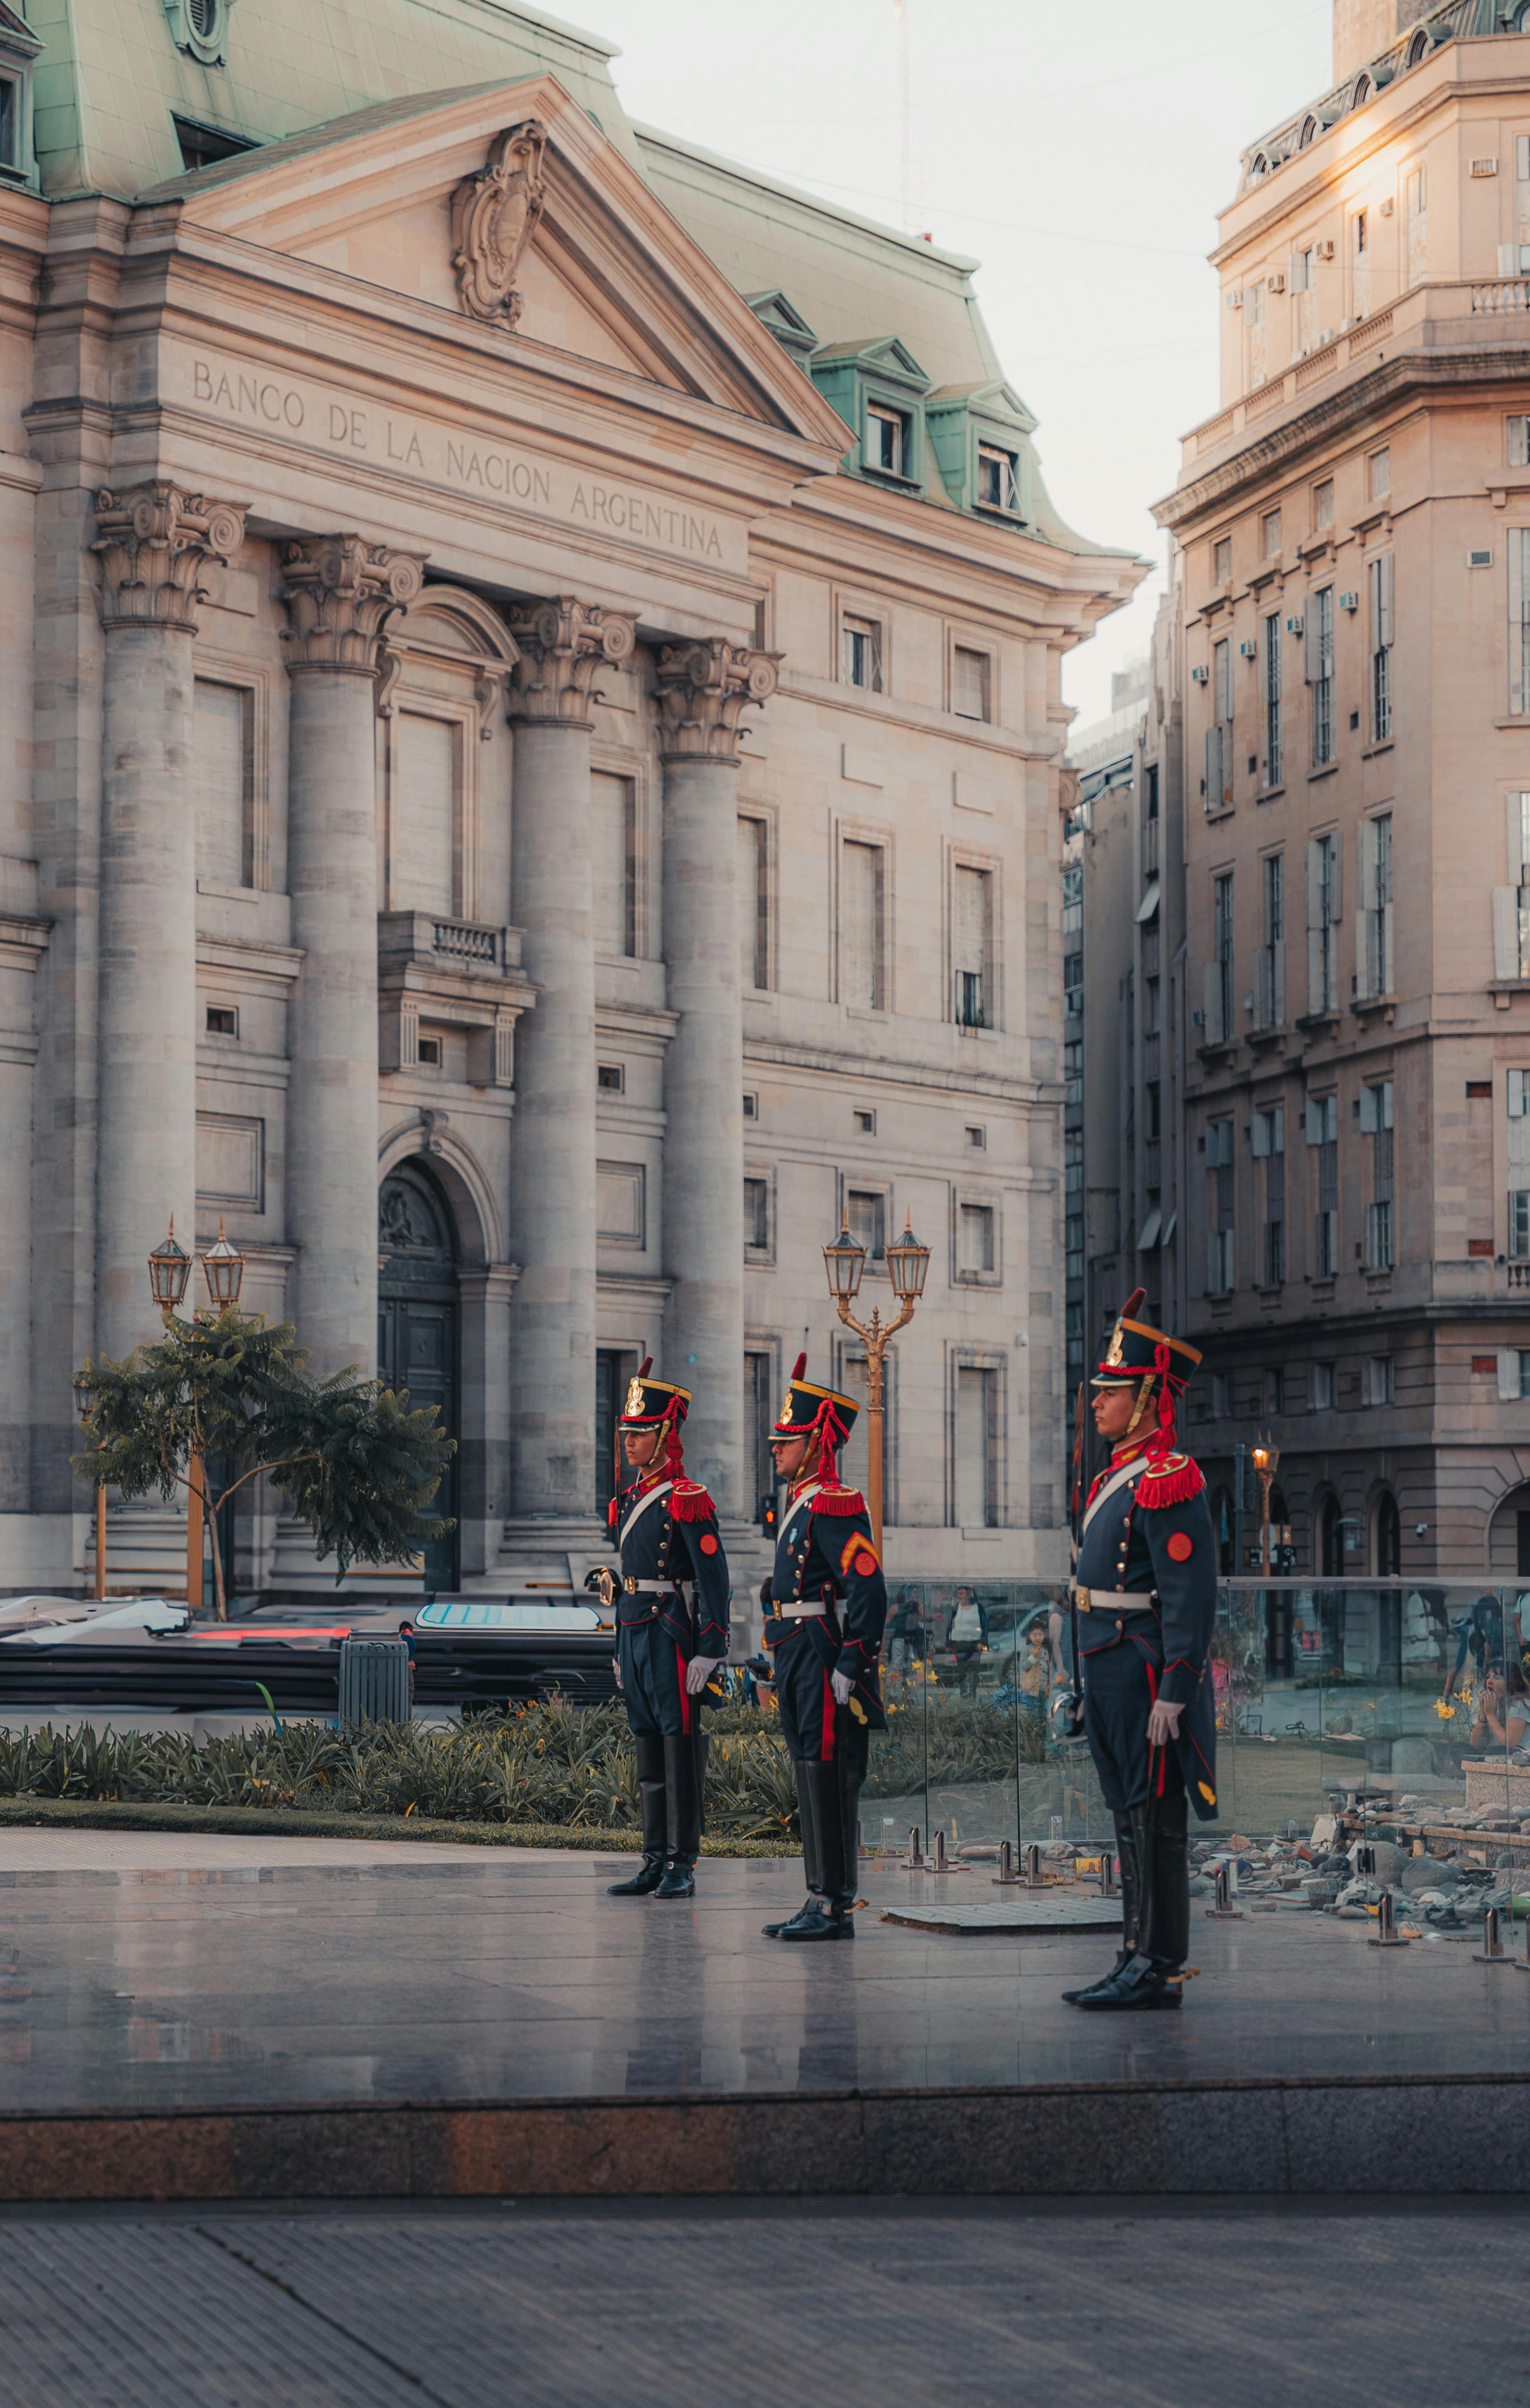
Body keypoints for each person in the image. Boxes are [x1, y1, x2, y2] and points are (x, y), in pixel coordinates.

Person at [1061, 1288, 1217, 2014]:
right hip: (1106, 1665)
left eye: (1112, 1391)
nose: (1097, 1402)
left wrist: (1177, 1688)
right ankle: (1133, 1950)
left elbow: (1190, 1596)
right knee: (1127, 1816)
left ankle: (1158, 1962)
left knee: (1155, 1820)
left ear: (1149, 1398)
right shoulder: (1113, 1479)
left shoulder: (1169, 1480)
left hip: (1143, 1669)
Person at [758, 1352, 888, 1942]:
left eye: (787, 1442)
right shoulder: (801, 1503)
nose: (776, 1450)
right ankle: (818, 1894)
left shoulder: (835, 1502)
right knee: (810, 1773)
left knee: (830, 1774)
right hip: (794, 1650)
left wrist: (853, 1658)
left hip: (820, 1654)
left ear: (815, 1444)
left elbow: (868, 1586)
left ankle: (834, 1905)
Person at [599, 1359, 729, 1902]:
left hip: (670, 1634)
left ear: (665, 1435)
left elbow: (714, 1578)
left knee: (679, 1749)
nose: (629, 1441)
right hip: (634, 1630)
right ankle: (654, 1859)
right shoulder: (631, 1499)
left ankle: (682, 1862)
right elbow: (627, 1579)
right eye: (626, 1432)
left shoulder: (686, 1497)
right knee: (648, 1749)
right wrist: (618, 1644)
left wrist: (711, 1649)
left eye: (640, 1432)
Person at [1469, 1661, 1530, 1755]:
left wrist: (1491, 1715)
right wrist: (1484, 1714)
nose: (1490, 1681)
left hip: (1519, 1758)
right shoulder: (1495, 1705)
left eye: (1497, 1678)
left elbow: (1508, 1744)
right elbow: (1476, 1745)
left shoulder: (1518, 1706)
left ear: (1510, 1684)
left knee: (1493, 1751)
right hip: (1497, 1755)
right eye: (1488, 1677)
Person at [397, 1619, 416, 1711]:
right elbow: (411, 1644)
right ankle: (407, 1715)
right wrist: (410, 1660)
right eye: (411, 1630)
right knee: (409, 1688)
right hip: (405, 1665)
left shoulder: (398, 1640)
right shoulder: (407, 1639)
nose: (412, 1633)